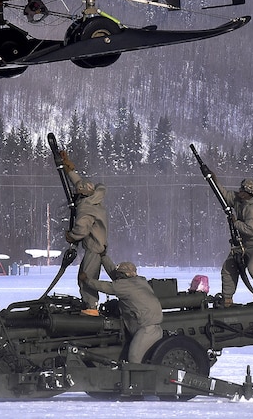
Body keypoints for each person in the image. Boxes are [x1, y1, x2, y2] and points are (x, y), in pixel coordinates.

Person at [61, 150, 117, 315]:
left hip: (93, 249)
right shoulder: (95, 198)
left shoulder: (85, 208)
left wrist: (71, 236)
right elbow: (80, 182)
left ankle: (90, 308)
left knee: (86, 279)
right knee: (97, 275)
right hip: (101, 246)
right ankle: (90, 305)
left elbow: (81, 229)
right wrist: (69, 169)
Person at [83, 261, 163, 363]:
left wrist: (86, 280)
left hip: (146, 330)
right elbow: (114, 276)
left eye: (119, 274)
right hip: (153, 327)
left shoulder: (124, 286)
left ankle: (136, 378)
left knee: (134, 359)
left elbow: (105, 286)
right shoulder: (140, 281)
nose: (117, 277)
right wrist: (104, 258)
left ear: (123, 275)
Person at [220, 177, 253, 305]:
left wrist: (236, 223)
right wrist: (213, 179)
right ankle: (227, 298)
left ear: (249, 194)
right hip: (244, 243)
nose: (239, 191)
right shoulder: (240, 200)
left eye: (242, 190)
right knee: (229, 267)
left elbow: (250, 230)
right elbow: (226, 195)